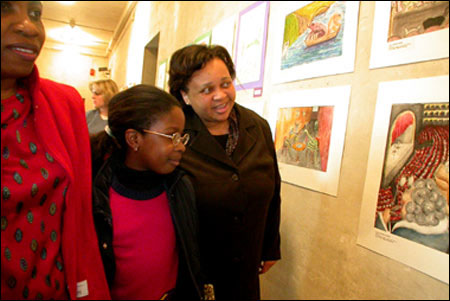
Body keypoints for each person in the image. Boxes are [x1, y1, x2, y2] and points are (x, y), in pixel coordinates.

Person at [1, 1, 110, 299]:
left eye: (36, 13)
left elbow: (81, 224)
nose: (28, 26)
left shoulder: (63, 106)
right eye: (4, 8)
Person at [168, 44, 281, 300]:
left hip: (245, 269)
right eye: (207, 90)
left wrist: (270, 246)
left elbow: (274, 189)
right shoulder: (175, 134)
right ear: (185, 95)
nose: (220, 96)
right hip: (192, 273)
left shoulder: (257, 127)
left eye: (225, 84)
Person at [90, 84, 214, 300]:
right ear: (134, 139)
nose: (181, 146)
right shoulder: (98, 195)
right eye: (171, 136)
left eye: (182, 137)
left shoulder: (180, 187)